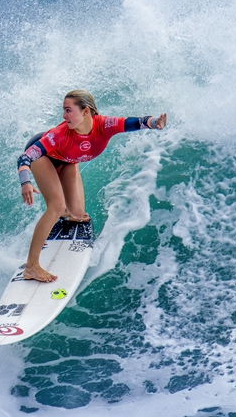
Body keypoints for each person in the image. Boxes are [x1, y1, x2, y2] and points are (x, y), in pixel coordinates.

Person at [17, 89, 167, 282]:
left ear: (86, 111)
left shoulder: (104, 125)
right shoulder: (58, 135)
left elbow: (135, 122)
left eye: (68, 110)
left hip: (67, 159)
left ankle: (64, 212)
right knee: (56, 206)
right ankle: (31, 267)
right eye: (64, 110)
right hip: (44, 157)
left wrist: (155, 123)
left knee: (77, 215)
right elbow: (26, 156)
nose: (64, 116)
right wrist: (26, 182)